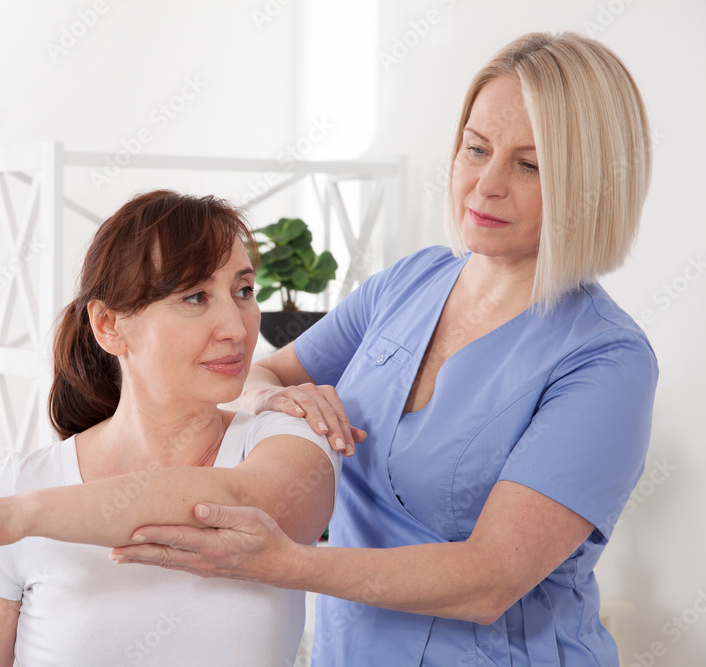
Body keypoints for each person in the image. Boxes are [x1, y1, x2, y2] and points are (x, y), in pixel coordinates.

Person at [109, 32, 658, 666]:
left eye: (528, 164)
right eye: (475, 149)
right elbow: (262, 375)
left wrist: (285, 564)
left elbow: (489, 579)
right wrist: (282, 400)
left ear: (590, 185)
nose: (485, 184)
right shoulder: (411, 282)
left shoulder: (605, 359)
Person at [0, 190, 343, 666]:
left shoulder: (284, 438)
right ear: (109, 325)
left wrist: (19, 519)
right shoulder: (11, 491)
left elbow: (246, 501)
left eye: (244, 290)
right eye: (194, 297)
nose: (236, 326)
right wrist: (13, 515)